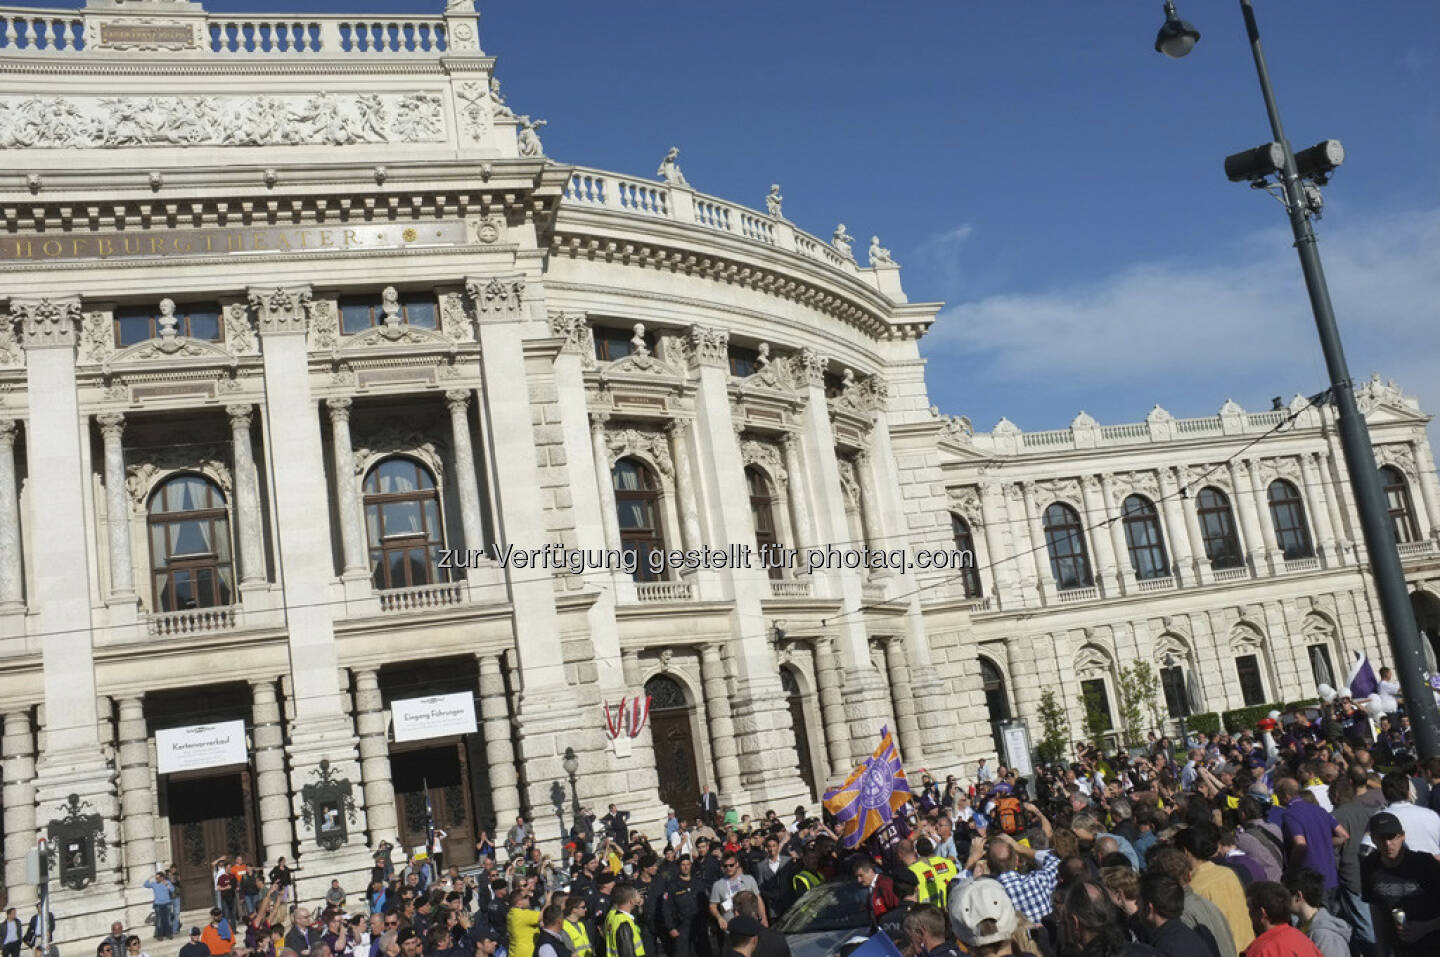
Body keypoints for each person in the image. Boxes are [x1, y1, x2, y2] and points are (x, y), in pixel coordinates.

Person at [1359, 811, 1440, 956]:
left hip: (1432, 945)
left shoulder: (1424, 864)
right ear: (1373, 839)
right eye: (1381, 838)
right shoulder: (1370, 866)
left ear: (1402, 836)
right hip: (1398, 948)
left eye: (1392, 837)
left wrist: (1424, 928)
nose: (1387, 844)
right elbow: (1376, 910)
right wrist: (1382, 951)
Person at [1133, 872, 1210, 957]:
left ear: (1150, 907)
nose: (1136, 903)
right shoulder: (1185, 934)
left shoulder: (1165, 948)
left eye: (1139, 899)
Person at [1244, 882, 1322, 957]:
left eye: (1250, 908)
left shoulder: (1262, 951)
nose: (1248, 914)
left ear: (1262, 913)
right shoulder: (1305, 942)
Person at [1283, 869, 1349, 957]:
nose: (1283, 901)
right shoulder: (1301, 925)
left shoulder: (1325, 936)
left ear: (1299, 896)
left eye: (1285, 896)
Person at [710, 854, 763, 933]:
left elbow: (758, 900)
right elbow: (712, 906)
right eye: (725, 866)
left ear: (737, 864)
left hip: (751, 925)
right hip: (731, 928)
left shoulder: (749, 879)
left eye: (731, 865)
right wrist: (719, 918)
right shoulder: (717, 885)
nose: (728, 868)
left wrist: (764, 919)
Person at [604, 886, 645, 957]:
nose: (639, 896)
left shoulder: (611, 915)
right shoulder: (624, 923)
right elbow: (627, 952)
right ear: (631, 901)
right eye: (636, 895)